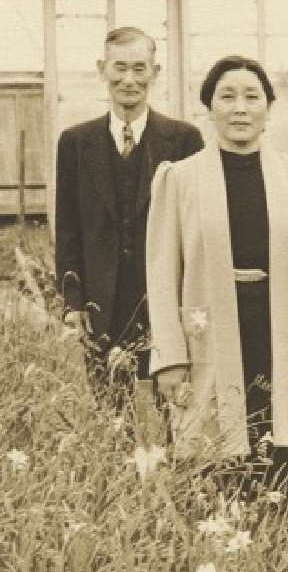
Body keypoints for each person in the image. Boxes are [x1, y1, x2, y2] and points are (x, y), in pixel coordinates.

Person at [146, 55, 288, 498]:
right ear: (209, 108)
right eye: (226, 96)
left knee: (284, 469)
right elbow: (160, 274)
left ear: (268, 108)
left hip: (281, 336)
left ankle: (281, 554)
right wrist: (171, 356)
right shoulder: (179, 180)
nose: (239, 107)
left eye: (252, 96)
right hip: (207, 339)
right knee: (215, 472)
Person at [55, 26, 204, 404]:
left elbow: (195, 229)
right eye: (119, 68)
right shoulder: (76, 143)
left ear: (155, 72)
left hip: (163, 298)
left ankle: (172, 466)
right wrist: (73, 301)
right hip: (101, 304)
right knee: (110, 414)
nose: (129, 79)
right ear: (102, 69)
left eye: (140, 69)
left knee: (175, 406)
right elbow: (69, 225)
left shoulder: (184, 139)